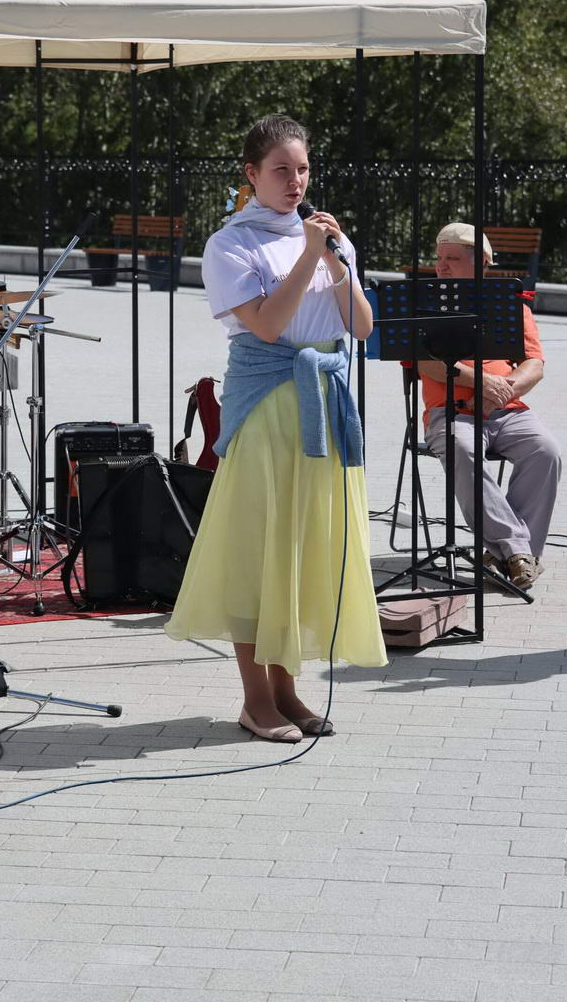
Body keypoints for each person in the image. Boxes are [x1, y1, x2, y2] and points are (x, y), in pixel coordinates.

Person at [165, 114, 387, 742]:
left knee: (303, 550)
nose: (296, 181)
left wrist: (336, 263)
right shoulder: (230, 244)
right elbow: (266, 325)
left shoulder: (330, 240)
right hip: (267, 408)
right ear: (252, 173)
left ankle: (288, 691)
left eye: (303, 169)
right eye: (281, 169)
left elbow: (362, 328)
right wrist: (310, 255)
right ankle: (255, 699)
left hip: (323, 404)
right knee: (258, 552)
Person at [418, 222, 562, 588]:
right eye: (439, 258)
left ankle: (506, 556)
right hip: (450, 411)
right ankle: (518, 552)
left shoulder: (510, 303)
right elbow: (426, 364)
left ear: (481, 262)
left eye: (452, 258)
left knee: (546, 451)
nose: (441, 266)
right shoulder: (426, 303)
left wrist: (500, 393)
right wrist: (481, 383)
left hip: (506, 408)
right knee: (462, 448)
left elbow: (534, 365)